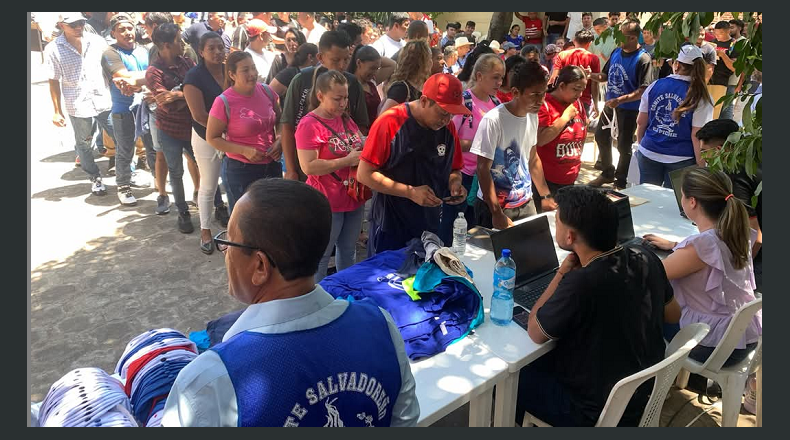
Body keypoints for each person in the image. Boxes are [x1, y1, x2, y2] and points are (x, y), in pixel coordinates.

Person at [161, 178, 419, 427]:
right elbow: (404, 420)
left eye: (228, 242)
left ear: (260, 266)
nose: (226, 253)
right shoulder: (380, 326)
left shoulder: (211, 380)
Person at [517, 185, 679, 426]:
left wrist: (561, 273)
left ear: (570, 237)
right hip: (644, 391)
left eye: (557, 222)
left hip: (593, 411)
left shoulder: (580, 282)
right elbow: (673, 314)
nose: (556, 227)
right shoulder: (645, 256)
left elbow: (535, 331)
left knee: (513, 377)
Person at [644, 167, 761, 367]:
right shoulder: (736, 230)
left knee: (644, 309)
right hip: (743, 337)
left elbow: (651, 274)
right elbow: (707, 255)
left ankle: (650, 381)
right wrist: (675, 246)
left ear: (692, 202)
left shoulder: (701, 247)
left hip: (713, 347)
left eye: (682, 195)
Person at [357, 73, 470, 256]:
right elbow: (364, 174)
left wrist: (455, 184)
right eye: (442, 113)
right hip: (391, 224)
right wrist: (410, 192)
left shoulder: (447, 128)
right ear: (424, 101)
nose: (446, 120)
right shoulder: (390, 121)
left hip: (430, 224)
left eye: (451, 114)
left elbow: (455, 168)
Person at [295, 71, 366, 282]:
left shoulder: (345, 118)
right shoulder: (309, 125)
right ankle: (317, 300)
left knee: (347, 249)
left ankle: (343, 292)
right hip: (326, 202)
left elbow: (357, 142)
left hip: (353, 197)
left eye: (345, 97)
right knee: (322, 256)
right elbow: (308, 166)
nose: (343, 103)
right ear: (320, 96)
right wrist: (347, 160)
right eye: (337, 98)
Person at [471, 60, 553, 230]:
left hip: (525, 202)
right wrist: (496, 213)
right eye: (535, 95)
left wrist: (545, 195)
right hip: (495, 206)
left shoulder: (532, 116)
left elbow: (532, 159)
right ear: (516, 92)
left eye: (544, 94)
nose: (541, 101)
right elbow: (482, 169)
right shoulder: (493, 120)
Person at [281, 31, 369, 181]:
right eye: (335, 60)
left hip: (346, 176)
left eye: (346, 59)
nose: (342, 65)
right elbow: (287, 126)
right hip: (307, 169)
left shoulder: (353, 83)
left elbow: (361, 125)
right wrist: (290, 169)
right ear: (320, 57)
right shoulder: (301, 80)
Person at [205, 51, 282, 214]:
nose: (252, 74)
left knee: (273, 216)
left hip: (272, 165)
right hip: (241, 169)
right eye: (245, 70)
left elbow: (281, 120)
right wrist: (244, 150)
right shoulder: (224, 101)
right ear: (232, 74)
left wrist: (280, 139)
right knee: (245, 220)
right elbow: (212, 138)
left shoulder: (267, 92)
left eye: (253, 68)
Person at [46, 13, 113, 196]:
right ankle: (94, 177)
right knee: (83, 143)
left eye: (81, 23)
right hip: (77, 102)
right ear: (61, 25)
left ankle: (126, 173)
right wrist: (57, 111)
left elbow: (111, 66)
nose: (78, 27)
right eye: (73, 24)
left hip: (102, 97)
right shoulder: (53, 49)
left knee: (120, 136)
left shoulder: (97, 41)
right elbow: (53, 80)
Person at [440, 54, 504, 245]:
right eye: (495, 77)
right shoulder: (464, 102)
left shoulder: (497, 104)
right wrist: (481, 142)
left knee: (473, 231)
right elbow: (450, 141)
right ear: (479, 76)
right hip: (462, 176)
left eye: (502, 77)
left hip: (485, 176)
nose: (499, 82)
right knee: (451, 229)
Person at [146, 23, 199, 234]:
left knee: (203, 166)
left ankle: (217, 206)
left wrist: (177, 94)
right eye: (179, 40)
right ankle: (183, 212)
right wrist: (188, 95)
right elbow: (167, 106)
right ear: (167, 45)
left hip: (193, 127)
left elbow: (198, 89)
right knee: (176, 173)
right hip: (169, 131)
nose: (183, 43)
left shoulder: (187, 61)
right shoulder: (154, 72)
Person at [588, 20, 654, 189]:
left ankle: (621, 180)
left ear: (633, 38)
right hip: (612, 105)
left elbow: (643, 90)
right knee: (601, 136)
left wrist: (621, 100)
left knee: (624, 146)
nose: (618, 40)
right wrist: (590, 75)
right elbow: (605, 76)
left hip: (629, 109)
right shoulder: (617, 51)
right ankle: (607, 173)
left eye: (621, 36)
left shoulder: (643, 59)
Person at [635, 45, 713, 187]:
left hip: (650, 150)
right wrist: (702, 165)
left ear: (676, 65)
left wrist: (642, 145)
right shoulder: (702, 96)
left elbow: (641, 121)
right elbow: (697, 135)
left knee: (646, 200)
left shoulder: (656, 85)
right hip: (682, 158)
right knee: (673, 204)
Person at [184, 31, 233, 253]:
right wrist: (223, 131)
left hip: (233, 135)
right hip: (206, 136)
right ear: (201, 52)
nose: (217, 52)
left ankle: (236, 229)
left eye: (220, 47)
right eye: (211, 48)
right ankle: (205, 231)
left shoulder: (229, 71)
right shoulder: (194, 77)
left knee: (233, 183)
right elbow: (199, 115)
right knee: (209, 184)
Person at [101, 13, 152, 206]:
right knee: (125, 149)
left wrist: (138, 79)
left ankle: (159, 181)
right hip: (123, 109)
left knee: (152, 146)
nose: (127, 32)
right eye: (121, 29)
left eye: (129, 28)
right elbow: (124, 77)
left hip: (147, 106)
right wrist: (149, 76)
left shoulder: (145, 50)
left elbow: (138, 78)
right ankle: (123, 186)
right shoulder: (110, 53)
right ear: (113, 32)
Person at [695, 119, 762, 262]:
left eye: (704, 152)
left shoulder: (736, 174)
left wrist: (740, 270)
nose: (703, 158)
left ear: (720, 150)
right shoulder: (753, 157)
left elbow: (756, 236)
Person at [535, 66, 588, 209]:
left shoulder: (578, 104)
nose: (579, 94)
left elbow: (583, 128)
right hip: (548, 181)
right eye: (576, 89)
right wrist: (565, 117)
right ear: (562, 85)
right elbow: (541, 139)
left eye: (582, 89)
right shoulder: (544, 104)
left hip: (570, 178)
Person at [549, 29, 600, 118]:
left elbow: (553, 78)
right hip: (583, 99)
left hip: (563, 97)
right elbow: (594, 85)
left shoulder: (562, 55)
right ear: (590, 43)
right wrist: (596, 105)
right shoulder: (593, 58)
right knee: (580, 128)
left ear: (574, 41)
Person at [379, 41, 432, 114]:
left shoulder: (424, 85)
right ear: (421, 62)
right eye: (429, 58)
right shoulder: (401, 88)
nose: (431, 62)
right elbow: (383, 118)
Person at [709, 21, 739, 120]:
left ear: (728, 31)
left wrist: (722, 55)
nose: (717, 36)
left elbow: (734, 67)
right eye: (716, 33)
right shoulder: (712, 42)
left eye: (720, 33)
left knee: (725, 109)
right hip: (710, 79)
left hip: (725, 81)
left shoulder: (734, 45)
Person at [348, 46, 383, 126]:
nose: (374, 73)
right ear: (359, 63)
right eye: (372, 68)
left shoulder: (372, 83)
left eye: (377, 69)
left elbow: (392, 65)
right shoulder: (350, 87)